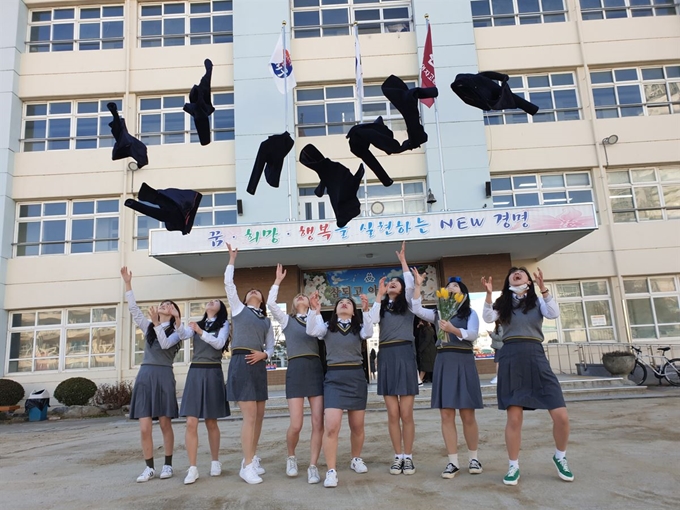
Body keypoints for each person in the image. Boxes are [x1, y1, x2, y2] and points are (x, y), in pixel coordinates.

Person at [481, 267, 573, 486]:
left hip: (535, 355)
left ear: (529, 281)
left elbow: (553, 313)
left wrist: (544, 289)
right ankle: (513, 466)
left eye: (521, 272)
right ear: (509, 280)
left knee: (561, 416)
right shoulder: (503, 303)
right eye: (512, 272)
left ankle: (560, 457)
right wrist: (488, 294)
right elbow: (487, 317)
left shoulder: (538, 301)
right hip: (511, 357)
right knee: (514, 418)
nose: (516, 273)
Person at [411, 270, 483, 480]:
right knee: (446, 414)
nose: (451, 288)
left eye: (455, 287)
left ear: (463, 294)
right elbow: (415, 308)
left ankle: (474, 458)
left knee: (467, 413)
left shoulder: (470, 314)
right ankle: (453, 462)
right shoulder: (437, 313)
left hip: (463, 360)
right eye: (448, 287)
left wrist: (454, 329)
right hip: (444, 360)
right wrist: (417, 285)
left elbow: (473, 334)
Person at [121, 266, 182, 483]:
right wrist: (128, 283)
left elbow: (165, 345)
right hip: (146, 375)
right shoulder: (149, 328)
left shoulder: (177, 333)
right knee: (145, 426)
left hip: (164, 375)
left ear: (175, 312)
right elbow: (134, 310)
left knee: (165, 423)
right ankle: (149, 467)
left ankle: (168, 464)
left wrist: (158, 323)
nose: (164, 305)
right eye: (163, 304)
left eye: (169, 305)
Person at [306, 291, 373, 488]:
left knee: (357, 426)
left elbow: (368, 333)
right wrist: (314, 310)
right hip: (334, 378)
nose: (344, 304)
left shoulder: (359, 327)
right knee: (332, 426)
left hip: (356, 378)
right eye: (340, 302)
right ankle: (331, 471)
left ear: (354, 311)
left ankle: (356, 458)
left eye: (348, 303)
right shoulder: (326, 326)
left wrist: (367, 310)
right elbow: (312, 331)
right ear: (334, 310)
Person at [266, 264, 324, 484]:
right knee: (297, 424)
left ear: (309, 302)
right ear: (293, 304)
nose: (301, 297)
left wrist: (316, 310)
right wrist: (278, 281)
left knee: (318, 422)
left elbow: (320, 333)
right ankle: (291, 457)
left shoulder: (316, 318)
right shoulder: (286, 320)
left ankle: (313, 465)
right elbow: (271, 304)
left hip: (314, 369)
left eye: (304, 296)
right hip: (296, 369)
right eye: (297, 296)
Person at [224, 244, 275, 484]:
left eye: (258, 291)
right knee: (250, 416)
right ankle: (246, 465)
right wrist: (232, 260)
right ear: (244, 299)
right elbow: (229, 285)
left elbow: (271, 345)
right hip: (242, 361)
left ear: (262, 300)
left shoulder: (265, 321)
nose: (254, 291)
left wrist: (265, 355)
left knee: (260, 415)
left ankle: (252, 457)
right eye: (251, 291)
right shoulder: (238, 309)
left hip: (258, 365)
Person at [367, 241, 419, 475]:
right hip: (387, 354)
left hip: (406, 354)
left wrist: (403, 263)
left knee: (406, 413)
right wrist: (378, 295)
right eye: (389, 283)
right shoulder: (382, 306)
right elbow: (373, 320)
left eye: (395, 283)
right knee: (393, 413)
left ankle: (408, 456)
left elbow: (409, 286)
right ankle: (397, 456)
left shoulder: (408, 303)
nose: (392, 284)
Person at [175, 299, 230, 484]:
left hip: (213, 370)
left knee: (211, 421)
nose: (210, 302)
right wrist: (177, 318)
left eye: (215, 301)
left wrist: (201, 332)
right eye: (209, 301)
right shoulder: (196, 325)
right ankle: (192, 468)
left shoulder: (224, 324)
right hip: (196, 371)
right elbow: (182, 334)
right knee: (191, 422)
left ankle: (215, 461)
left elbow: (219, 343)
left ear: (221, 309)